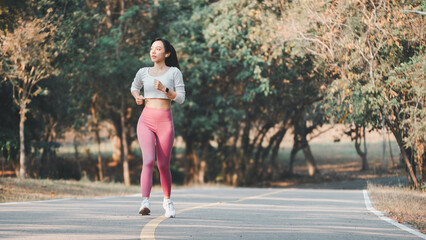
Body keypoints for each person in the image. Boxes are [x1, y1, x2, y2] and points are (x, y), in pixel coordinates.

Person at [130, 38, 185, 218]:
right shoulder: (143, 72)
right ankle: (145, 201)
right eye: (152, 48)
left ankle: (167, 202)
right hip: (146, 119)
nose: (153, 51)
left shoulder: (174, 72)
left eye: (158, 49)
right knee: (147, 161)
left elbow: (181, 98)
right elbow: (134, 87)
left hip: (165, 122)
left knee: (162, 164)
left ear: (166, 53)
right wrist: (137, 96)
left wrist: (165, 89)